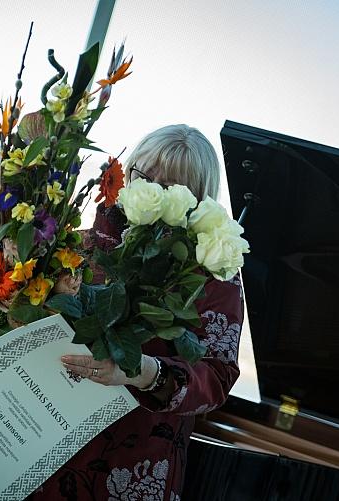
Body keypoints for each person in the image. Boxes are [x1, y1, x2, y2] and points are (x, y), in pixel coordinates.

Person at [30, 124, 244, 500]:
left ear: (196, 199)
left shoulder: (212, 276)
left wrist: (144, 372)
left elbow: (216, 377)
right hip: (39, 443)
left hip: (131, 465)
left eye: (171, 187)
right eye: (143, 176)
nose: (151, 191)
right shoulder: (77, 245)